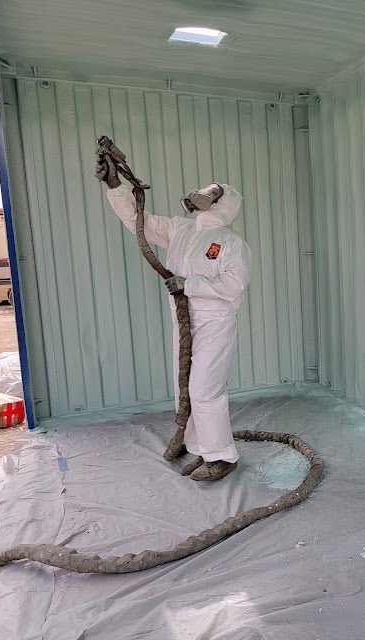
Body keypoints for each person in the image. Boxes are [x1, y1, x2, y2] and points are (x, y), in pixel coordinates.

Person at [95, 155, 252, 482]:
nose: (200, 198)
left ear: (224, 203)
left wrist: (189, 284)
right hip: (182, 322)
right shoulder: (180, 229)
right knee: (185, 388)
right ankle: (200, 448)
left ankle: (222, 456)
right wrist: (115, 186)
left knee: (205, 390)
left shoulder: (230, 242)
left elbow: (234, 284)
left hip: (215, 324)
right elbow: (140, 221)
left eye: (211, 195)